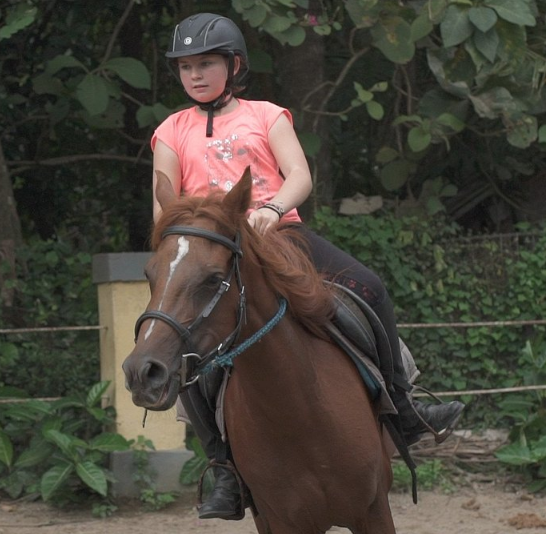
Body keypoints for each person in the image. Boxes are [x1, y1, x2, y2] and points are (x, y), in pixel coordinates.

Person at [151, 13, 466, 521]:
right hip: (213, 252)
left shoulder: (267, 115)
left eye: (205, 63)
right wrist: (185, 240)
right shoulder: (171, 131)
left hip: (280, 235)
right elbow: (162, 203)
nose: (195, 74)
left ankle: (404, 409)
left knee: (369, 285)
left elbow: (299, 174)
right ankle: (225, 467)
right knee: (187, 346)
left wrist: (270, 211)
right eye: (186, 67)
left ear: (234, 65)